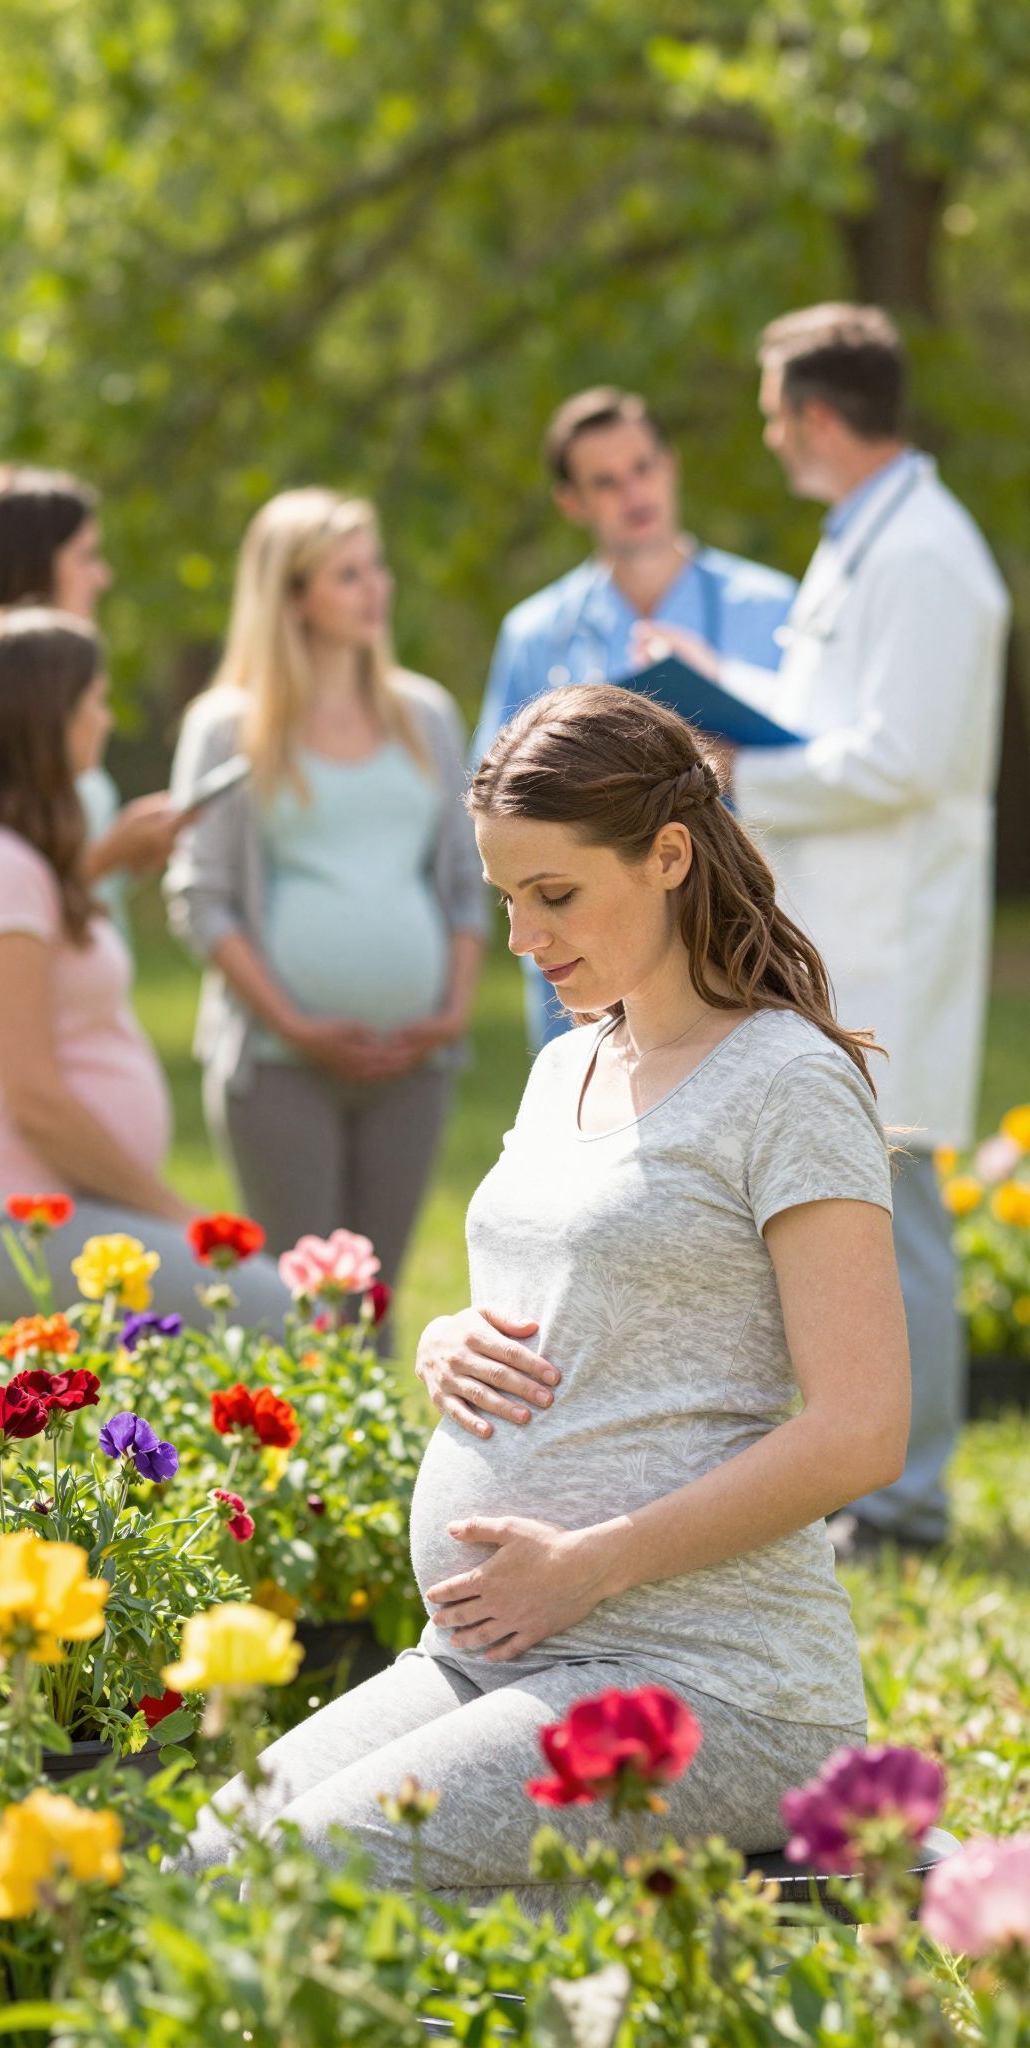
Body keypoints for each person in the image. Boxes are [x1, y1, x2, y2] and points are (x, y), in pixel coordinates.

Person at [182, 683, 910, 1912]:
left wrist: (592, 1563)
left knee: (300, 1884)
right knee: (206, 1856)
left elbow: (863, 1428)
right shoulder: (566, 1062)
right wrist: (443, 1338)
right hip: (490, 1654)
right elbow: (562, 1302)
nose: (522, 936)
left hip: (709, 1673)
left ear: (669, 854)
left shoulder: (786, 1082)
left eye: (556, 893)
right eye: (506, 896)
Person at [654, 305, 1011, 1557]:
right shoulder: (862, 539)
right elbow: (831, 715)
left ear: (815, 415)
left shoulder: (925, 555)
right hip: (839, 915)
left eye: (773, 412)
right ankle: (857, 1475)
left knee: (896, 1205)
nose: (767, 435)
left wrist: (740, 764)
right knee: (842, 1190)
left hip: (891, 927)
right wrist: (719, 690)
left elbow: (899, 757)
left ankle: (907, 1501)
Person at [0, 606, 290, 1331]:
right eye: (95, 701)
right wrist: (175, 1213)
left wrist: (111, 859)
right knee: (268, 1309)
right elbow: (34, 1098)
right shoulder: (3, 870)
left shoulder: (17, 863)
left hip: (40, 1204)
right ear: (48, 722)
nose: (105, 721)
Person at [164, 488, 487, 1299]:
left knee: (374, 1300)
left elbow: (466, 876)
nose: (376, 588)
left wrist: (452, 1012)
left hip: (415, 1058)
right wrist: (296, 1025)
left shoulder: (425, 715)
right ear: (293, 596)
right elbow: (202, 897)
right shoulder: (228, 725)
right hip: (280, 1066)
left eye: (376, 567)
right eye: (348, 574)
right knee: (298, 1304)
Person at [472, 387, 796, 1050]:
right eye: (606, 482)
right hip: (582, 945)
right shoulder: (536, 633)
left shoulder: (772, 607)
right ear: (573, 502)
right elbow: (494, 796)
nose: (633, 493)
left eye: (643, 468)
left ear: (670, 467)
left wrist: (728, 761)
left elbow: (821, 768)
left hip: (727, 927)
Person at [0, 465, 187, 1101]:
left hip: (72, 1026)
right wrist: (112, 854)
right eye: (86, 557)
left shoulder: (61, 706)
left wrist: (124, 853)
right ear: (30, 566)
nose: (102, 576)